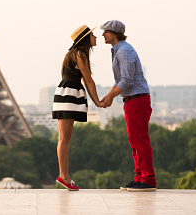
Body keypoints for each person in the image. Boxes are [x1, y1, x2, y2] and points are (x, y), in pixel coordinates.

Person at [100, 20, 157, 192]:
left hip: (137, 100)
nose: (103, 34)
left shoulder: (124, 51)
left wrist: (110, 96)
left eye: (106, 31)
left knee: (139, 140)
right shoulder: (119, 50)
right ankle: (140, 177)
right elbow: (120, 81)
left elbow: (126, 80)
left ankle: (148, 180)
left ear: (115, 34)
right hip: (132, 100)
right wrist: (109, 95)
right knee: (134, 140)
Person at [54, 25, 102, 191]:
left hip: (67, 93)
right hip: (69, 95)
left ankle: (64, 176)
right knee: (64, 138)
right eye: (92, 35)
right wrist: (98, 102)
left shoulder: (72, 54)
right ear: (85, 38)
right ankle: (64, 176)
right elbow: (89, 80)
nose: (95, 37)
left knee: (64, 138)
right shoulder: (79, 54)